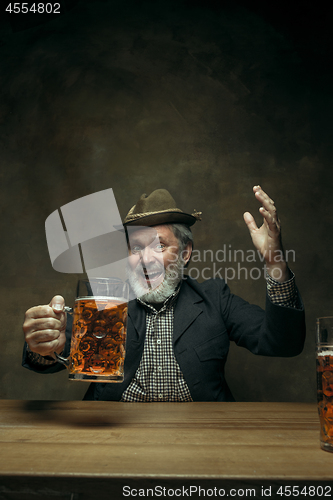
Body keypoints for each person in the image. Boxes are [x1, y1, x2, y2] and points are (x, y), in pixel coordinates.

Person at [22, 186, 305, 401]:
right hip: (114, 439)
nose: (146, 259)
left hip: (202, 443)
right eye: (136, 248)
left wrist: (275, 263)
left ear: (185, 252)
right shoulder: (107, 301)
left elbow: (283, 342)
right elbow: (53, 348)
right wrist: (47, 342)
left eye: (159, 246)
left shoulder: (215, 298)